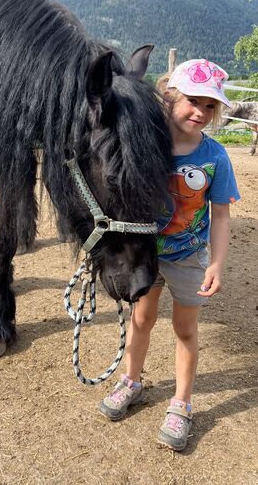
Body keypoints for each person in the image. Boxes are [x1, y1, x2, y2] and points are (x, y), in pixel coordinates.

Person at [99, 58, 240, 451]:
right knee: (140, 320)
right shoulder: (147, 145)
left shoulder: (215, 157)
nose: (200, 111)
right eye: (192, 100)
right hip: (146, 253)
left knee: (185, 330)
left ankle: (181, 403)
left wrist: (216, 262)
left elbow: (222, 215)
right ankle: (131, 380)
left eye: (210, 106)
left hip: (189, 258)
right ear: (169, 96)